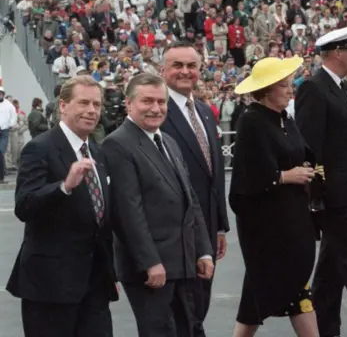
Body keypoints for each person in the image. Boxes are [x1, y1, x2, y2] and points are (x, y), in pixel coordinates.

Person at [102, 73, 214, 337]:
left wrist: (203, 250)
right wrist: (150, 262)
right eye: (147, 101)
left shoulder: (169, 142)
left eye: (161, 102)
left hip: (184, 263)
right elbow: (129, 212)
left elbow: (191, 200)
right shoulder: (117, 144)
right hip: (151, 270)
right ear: (129, 104)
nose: (156, 108)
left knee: (190, 329)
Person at [7, 76, 118, 337]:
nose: (92, 111)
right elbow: (24, 206)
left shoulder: (97, 152)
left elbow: (100, 218)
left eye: (96, 104)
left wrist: (110, 271)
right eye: (84, 103)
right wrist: (64, 187)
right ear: (64, 105)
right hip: (50, 286)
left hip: (95, 284)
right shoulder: (39, 148)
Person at [229, 56, 319, 337]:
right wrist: (284, 176)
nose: (291, 89)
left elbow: (302, 152)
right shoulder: (251, 121)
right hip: (268, 228)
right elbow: (247, 177)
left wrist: (306, 168)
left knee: (290, 293)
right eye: (284, 85)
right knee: (273, 293)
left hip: (293, 219)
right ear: (266, 89)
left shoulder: (284, 119)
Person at [295, 25, 347, 337]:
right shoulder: (313, 88)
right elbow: (309, 146)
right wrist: (318, 194)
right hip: (332, 196)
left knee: (330, 274)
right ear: (337, 53)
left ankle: (324, 330)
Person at [160, 41, 230, 337]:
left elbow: (213, 175)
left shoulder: (203, 110)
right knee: (180, 314)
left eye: (191, 66)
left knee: (199, 304)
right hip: (173, 231)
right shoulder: (156, 110)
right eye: (177, 65)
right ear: (163, 70)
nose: (185, 72)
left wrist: (219, 227)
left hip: (206, 228)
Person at [0, 86, 17, 183]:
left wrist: (11, 124)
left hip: (4, 131)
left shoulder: (9, 105)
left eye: (1, 93)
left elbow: (13, 116)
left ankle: (1, 175)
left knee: (1, 151)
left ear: (3, 94)